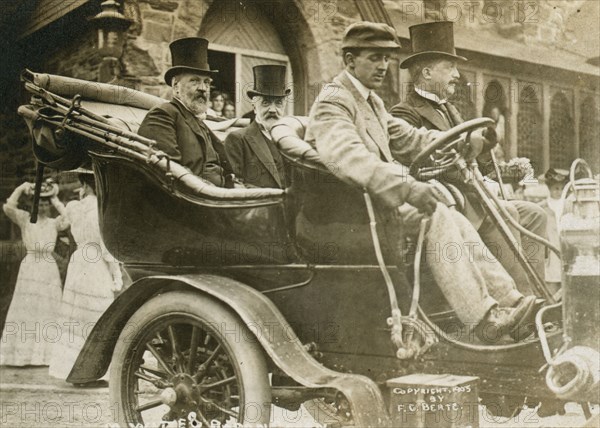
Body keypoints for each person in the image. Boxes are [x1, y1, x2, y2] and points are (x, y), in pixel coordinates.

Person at [305, 21, 538, 343]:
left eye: (386, 59)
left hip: (372, 208)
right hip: (343, 217)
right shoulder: (334, 101)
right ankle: (483, 318)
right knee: (437, 214)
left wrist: (465, 140)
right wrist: (408, 188)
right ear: (349, 61)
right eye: (374, 58)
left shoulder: (370, 102)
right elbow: (347, 157)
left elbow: (412, 138)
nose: (383, 66)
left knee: (448, 211)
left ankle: (509, 303)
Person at [389, 21, 548, 297]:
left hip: (475, 198)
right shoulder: (404, 114)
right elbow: (421, 166)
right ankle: (525, 305)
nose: (457, 75)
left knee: (535, 215)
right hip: (449, 204)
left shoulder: (451, 110)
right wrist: (467, 147)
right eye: (449, 67)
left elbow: (481, 164)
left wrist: (500, 160)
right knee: (505, 213)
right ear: (427, 72)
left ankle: (538, 291)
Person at [48, 170, 122, 384]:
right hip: (95, 262)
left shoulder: (75, 208)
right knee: (98, 315)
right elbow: (106, 248)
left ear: (84, 186)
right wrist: (116, 274)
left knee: (76, 316)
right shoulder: (99, 210)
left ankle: (75, 370)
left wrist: (54, 198)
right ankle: (95, 370)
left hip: (79, 261)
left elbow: (64, 220)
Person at [138, 37, 232, 187]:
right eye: (194, 81)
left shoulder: (198, 120)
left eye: (206, 82)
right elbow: (168, 173)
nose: (203, 88)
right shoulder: (163, 115)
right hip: (193, 202)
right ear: (176, 87)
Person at [0, 181, 66, 366]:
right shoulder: (26, 219)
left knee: (47, 307)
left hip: (48, 267)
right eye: (41, 203)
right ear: (34, 204)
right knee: (28, 307)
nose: (44, 206)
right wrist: (21, 188)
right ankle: (23, 355)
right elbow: (8, 207)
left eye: (46, 203)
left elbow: (69, 219)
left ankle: (47, 355)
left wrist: (55, 200)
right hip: (30, 266)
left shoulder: (54, 223)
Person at [224, 65, 289, 188]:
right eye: (266, 103)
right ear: (254, 107)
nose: (273, 110)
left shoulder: (291, 138)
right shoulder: (237, 139)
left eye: (279, 103)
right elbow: (236, 185)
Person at [539, 168, 569, 293]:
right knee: (551, 281)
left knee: (566, 281)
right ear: (549, 189)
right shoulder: (542, 207)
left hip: (565, 247)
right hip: (550, 248)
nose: (559, 191)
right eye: (556, 188)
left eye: (562, 188)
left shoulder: (568, 205)